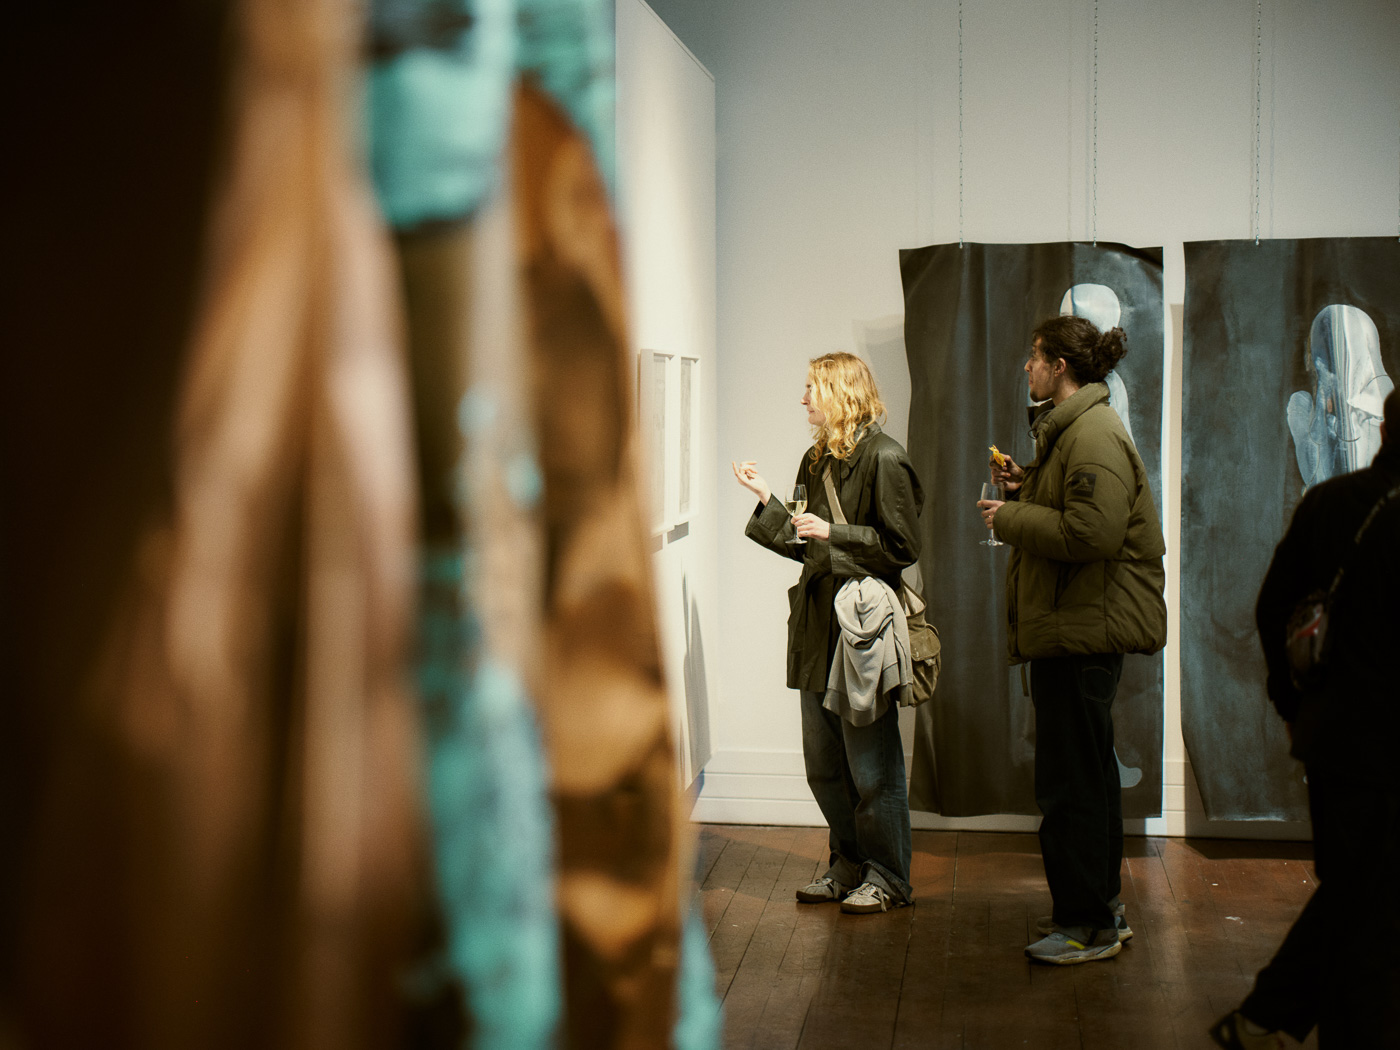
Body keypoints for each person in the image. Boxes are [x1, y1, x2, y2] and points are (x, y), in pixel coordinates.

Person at [1210, 387, 1400, 1050]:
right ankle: (1276, 1016)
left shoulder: (1329, 503)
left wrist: (1292, 703)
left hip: (1335, 738)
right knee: (1367, 906)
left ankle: (1267, 1014)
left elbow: (1272, 610)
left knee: (1357, 892)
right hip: (1378, 745)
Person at [979, 316, 1167, 965]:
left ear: (1060, 366)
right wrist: (1029, 490)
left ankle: (1085, 924)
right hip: (1073, 629)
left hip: (1080, 634)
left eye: (1034, 357)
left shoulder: (1091, 432)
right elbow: (1081, 513)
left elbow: (1094, 533)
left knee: (1072, 784)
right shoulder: (1078, 430)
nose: (1025, 367)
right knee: (1086, 778)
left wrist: (1013, 517)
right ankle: (1100, 911)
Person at [732, 352, 923, 915]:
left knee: (872, 767)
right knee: (824, 766)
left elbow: (904, 548)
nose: (803, 398)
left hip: (859, 630)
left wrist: (833, 530)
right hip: (817, 627)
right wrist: (768, 500)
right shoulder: (815, 459)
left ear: (841, 392)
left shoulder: (887, 458)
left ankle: (887, 876)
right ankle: (848, 864)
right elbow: (801, 542)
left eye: (811, 387)